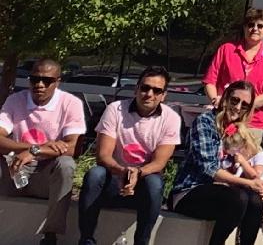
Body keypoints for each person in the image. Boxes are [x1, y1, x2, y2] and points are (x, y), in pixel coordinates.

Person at [78, 67, 182, 245]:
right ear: (136, 89)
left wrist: (137, 173)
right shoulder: (115, 109)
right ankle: (86, 240)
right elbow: (103, 156)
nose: (149, 94)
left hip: (143, 185)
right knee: (95, 175)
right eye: (145, 88)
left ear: (164, 95)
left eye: (157, 91)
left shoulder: (171, 118)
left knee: (155, 183)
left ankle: (141, 242)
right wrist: (124, 171)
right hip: (113, 180)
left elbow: (159, 163)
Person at [171, 81, 263, 245]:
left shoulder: (239, 128)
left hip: (222, 193)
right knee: (238, 197)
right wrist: (248, 182)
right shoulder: (205, 122)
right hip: (190, 191)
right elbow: (209, 169)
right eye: (234, 100)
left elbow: (258, 160)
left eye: (244, 105)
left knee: (255, 200)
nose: (238, 108)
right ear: (225, 98)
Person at [0, 56, 86, 245]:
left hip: (47, 177)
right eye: (34, 79)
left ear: (57, 82)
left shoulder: (71, 104)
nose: (39, 84)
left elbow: (71, 147)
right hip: (16, 170)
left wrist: (36, 152)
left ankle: (50, 235)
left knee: (66, 164)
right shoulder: (16, 100)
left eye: (46, 80)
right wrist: (33, 147)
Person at [205, 10, 263, 134]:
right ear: (244, 27)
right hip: (223, 119)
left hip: (253, 124)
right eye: (250, 25)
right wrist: (217, 101)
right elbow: (209, 81)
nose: (255, 29)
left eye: (260, 26)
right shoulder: (226, 49)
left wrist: (243, 106)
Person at [222, 126, 263, 245]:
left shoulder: (260, 156)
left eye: (237, 151)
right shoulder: (234, 160)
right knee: (241, 236)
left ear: (245, 145)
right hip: (247, 205)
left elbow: (256, 177)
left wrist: (243, 163)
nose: (235, 154)